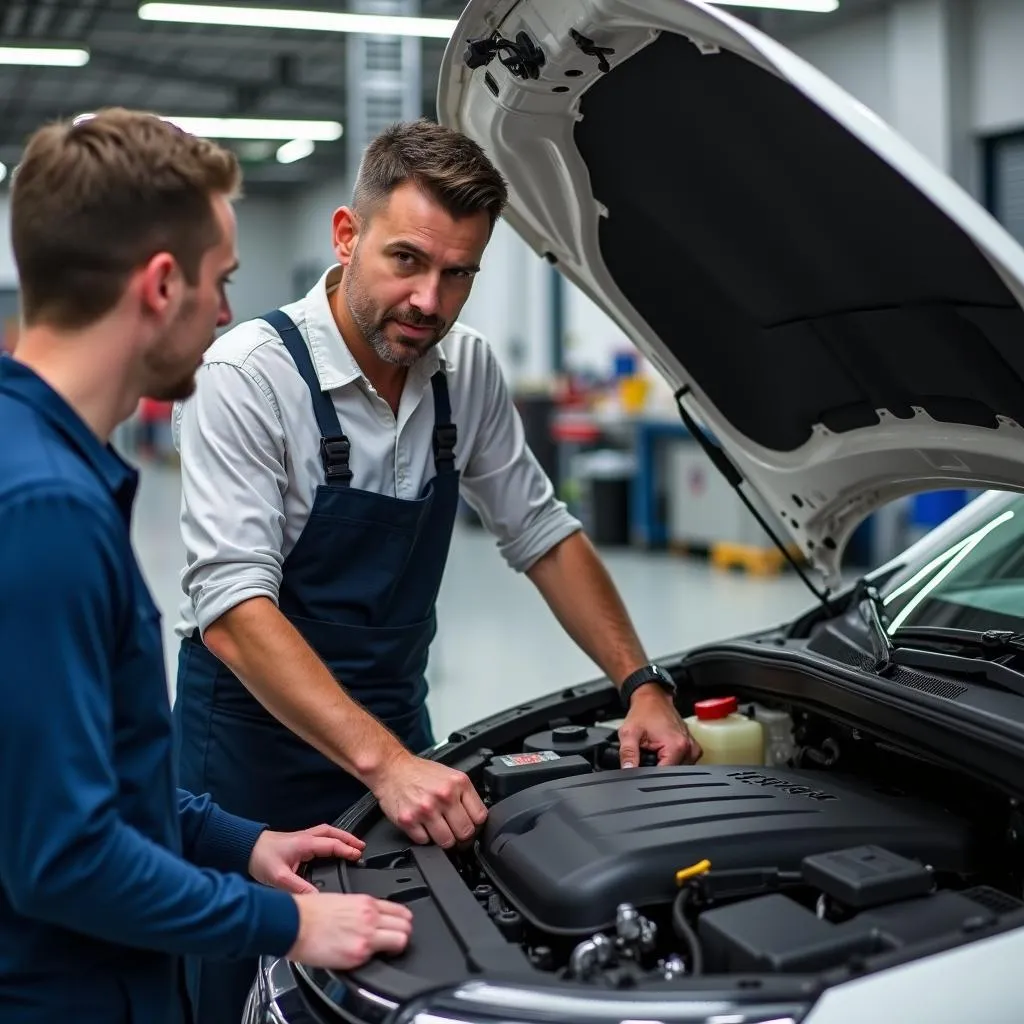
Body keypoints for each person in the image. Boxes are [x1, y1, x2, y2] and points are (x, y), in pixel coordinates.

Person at [173, 117, 703, 1021]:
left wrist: (640, 683)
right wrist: (387, 766)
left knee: (392, 984)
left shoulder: (466, 372)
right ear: (347, 236)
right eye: (407, 261)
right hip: (249, 762)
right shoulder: (249, 376)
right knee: (243, 991)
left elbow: (542, 532)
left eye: (458, 273)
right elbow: (231, 607)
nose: (430, 298)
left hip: (392, 732)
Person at [0, 107, 413, 1024]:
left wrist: (237, 841)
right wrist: (284, 926)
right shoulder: (47, 513)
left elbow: (83, 769)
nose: (227, 313)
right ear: (159, 285)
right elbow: (63, 858)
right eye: (219, 282)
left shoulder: (36, 459)